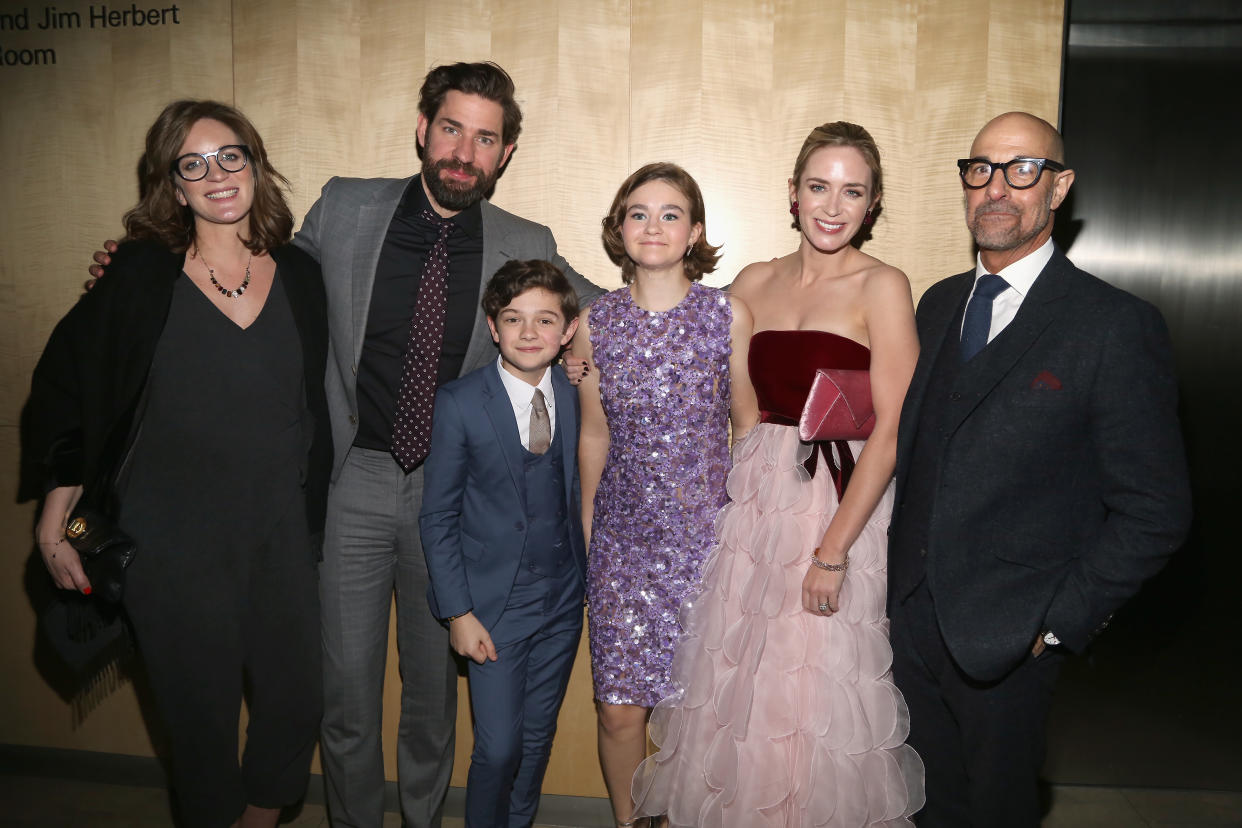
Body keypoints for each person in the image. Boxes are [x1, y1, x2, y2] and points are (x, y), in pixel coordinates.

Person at [91, 62, 604, 827]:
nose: (465, 150)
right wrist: (143, 266)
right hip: (352, 483)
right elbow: (252, 266)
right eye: (452, 129)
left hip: (451, 494)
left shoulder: (524, 240)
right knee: (346, 694)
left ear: (505, 154)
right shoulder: (346, 207)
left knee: (432, 701)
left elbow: (604, 315)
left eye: (486, 138)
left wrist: (684, 321)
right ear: (424, 130)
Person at [28, 100, 330, 828]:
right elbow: (70, 384)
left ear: (255, 163)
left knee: (295, 705)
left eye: (230, 156)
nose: (215, 175)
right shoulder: (139, 273)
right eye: (191, 165)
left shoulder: (300, 273)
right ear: (173, 184)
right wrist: (56, 503)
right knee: (199, 726)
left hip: (281, 532)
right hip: (171, 540)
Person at [886, 111, 1192, 826]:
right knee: (925, 809)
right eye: (981, 169)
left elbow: (1156, 509)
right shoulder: (935, 306)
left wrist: (1056, 624)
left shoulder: (1113, 325)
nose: (997, 188)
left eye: (1022, 170)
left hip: (1010, 641)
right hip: (907, 627)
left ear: (1059, 188)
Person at [631, 124, 924, 827]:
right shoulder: (755, 281)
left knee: (811, 689)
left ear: (873, 202)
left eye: (852, 191)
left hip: (836, 498)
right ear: (792, 194)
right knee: (743, 681)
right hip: (755, 491)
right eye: (818, 187)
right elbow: (673, 328)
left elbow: (889, 434)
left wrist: (833, 550)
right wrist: (581, 348)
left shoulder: (883, 285)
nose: (832, 205)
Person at [571, 162, 757, 828]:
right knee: (619, 709)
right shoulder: (595, 322)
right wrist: (590, 532)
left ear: (695, 231)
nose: (654, 226)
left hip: (709, 544)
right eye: (639, 213)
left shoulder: (726, 315)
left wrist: (751, 532)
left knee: (700, 713)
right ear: (619, 229)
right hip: (624, 545)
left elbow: (750, 427)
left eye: (671, 213)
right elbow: (593, 435)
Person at [419, 260, 586, 828]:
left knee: (537, 740)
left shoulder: (579, 392)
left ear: (567, 331)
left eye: (546, 320)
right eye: (514, 319)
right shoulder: (461, 402)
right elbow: (437, 516)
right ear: (493, 327)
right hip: (493, 609)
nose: (530, 332)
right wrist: (458, 612)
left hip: (562, 601)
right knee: (498, 748)